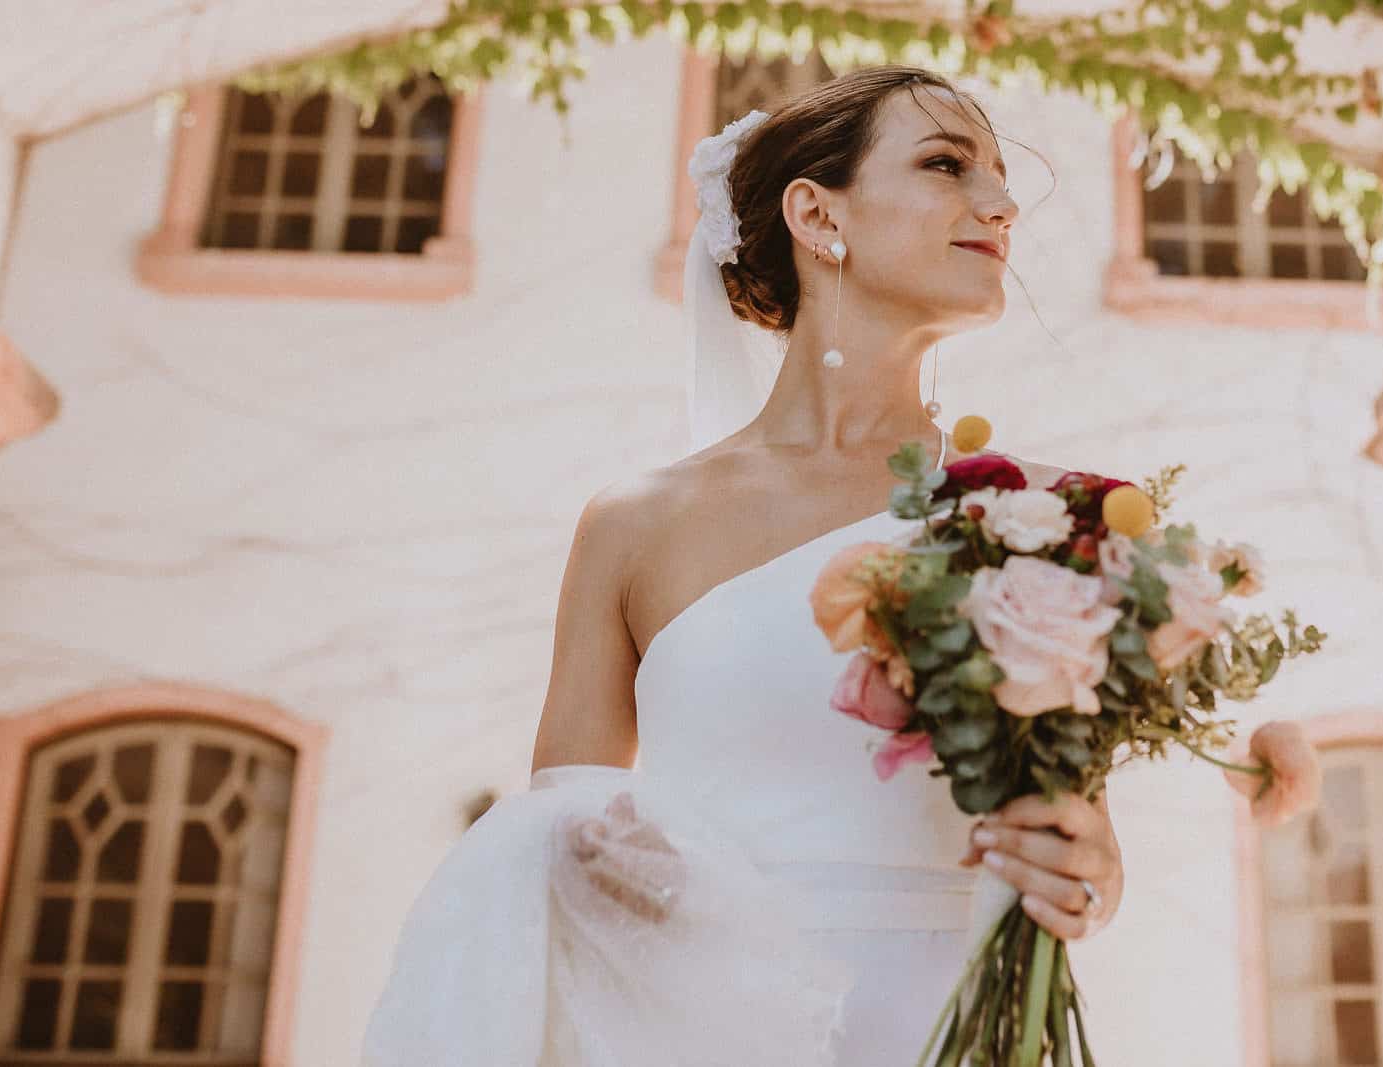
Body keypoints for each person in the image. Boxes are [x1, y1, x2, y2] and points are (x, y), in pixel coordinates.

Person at [361, 66, 1128, 1065]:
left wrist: (1087, 868)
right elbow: (564, 849)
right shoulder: (634, 524)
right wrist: (626, 874)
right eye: (947, 164)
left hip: (951, 1025)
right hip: (693, 1034)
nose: (1000, 202)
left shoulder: (1048, 517)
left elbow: (1083, 840)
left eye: (998, 177)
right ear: (815, 213)